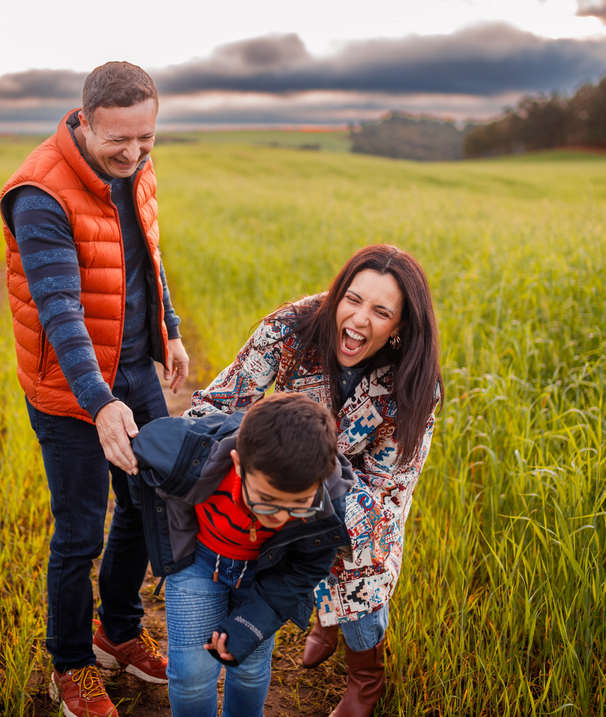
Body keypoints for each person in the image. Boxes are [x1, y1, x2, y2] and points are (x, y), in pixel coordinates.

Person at [0, 61, 191, 717]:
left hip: (135, 365)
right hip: (68, 387)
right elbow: (60, 312)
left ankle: (119, 632)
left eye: (147, 140)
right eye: (120, 142)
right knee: (80, 531)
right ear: (84, 121)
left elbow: (149, 259)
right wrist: (98, 400)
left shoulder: (136, 167)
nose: (134, 154)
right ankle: (72, 664)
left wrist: (169, 331)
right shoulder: (39, 193)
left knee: (148, 501)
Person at [185, 244, 444, 717]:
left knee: (367, 553)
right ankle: (320, 613)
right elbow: (219, 403)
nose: (360, 319)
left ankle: (365, 677)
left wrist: (316, 493)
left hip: (355, 493)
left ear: (400, 327)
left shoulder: (414, 382)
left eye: (381, 311)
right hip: (285, 467)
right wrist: (253, 462)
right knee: (268, 514)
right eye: (353, 298)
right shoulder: (291, 327)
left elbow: (387, 494)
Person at [129, 392, 355, 717]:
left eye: (297, 505)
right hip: (199, 562)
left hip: (264, 577)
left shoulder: (325, 504)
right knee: (191, 674)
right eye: (266, 499)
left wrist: (251, 624)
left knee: (249, 668)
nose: (278, 516)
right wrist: (156, 520)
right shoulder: (196, 453)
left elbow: (303, 570)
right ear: (238, 464)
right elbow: (145, 453)